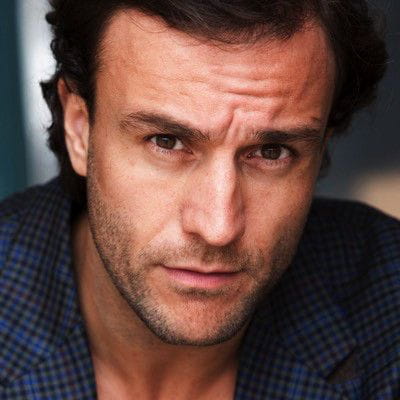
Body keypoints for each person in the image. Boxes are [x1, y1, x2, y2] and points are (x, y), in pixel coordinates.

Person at [0, 0, 399, 399]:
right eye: (166, 142)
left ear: (321, 148)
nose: (218, 228)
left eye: (271, 151)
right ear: (79, 128)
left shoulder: (386, 309)